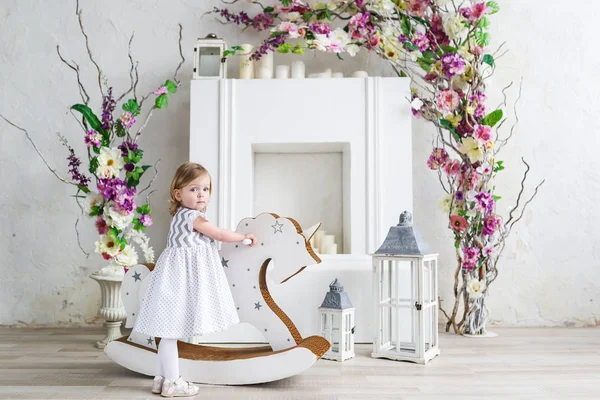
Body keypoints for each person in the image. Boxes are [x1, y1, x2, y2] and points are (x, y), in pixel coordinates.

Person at [134, 162, 256, 397]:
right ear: (178, 194)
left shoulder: (180, 215)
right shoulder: (193, 217)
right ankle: (173, 382)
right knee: (171, 332)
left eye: (206, 189)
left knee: (167, 332)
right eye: (194, 189)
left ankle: (160, 379)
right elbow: (219, 234)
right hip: (181, 283)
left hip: (174, 279)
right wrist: (242, 236)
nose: (201, 194)